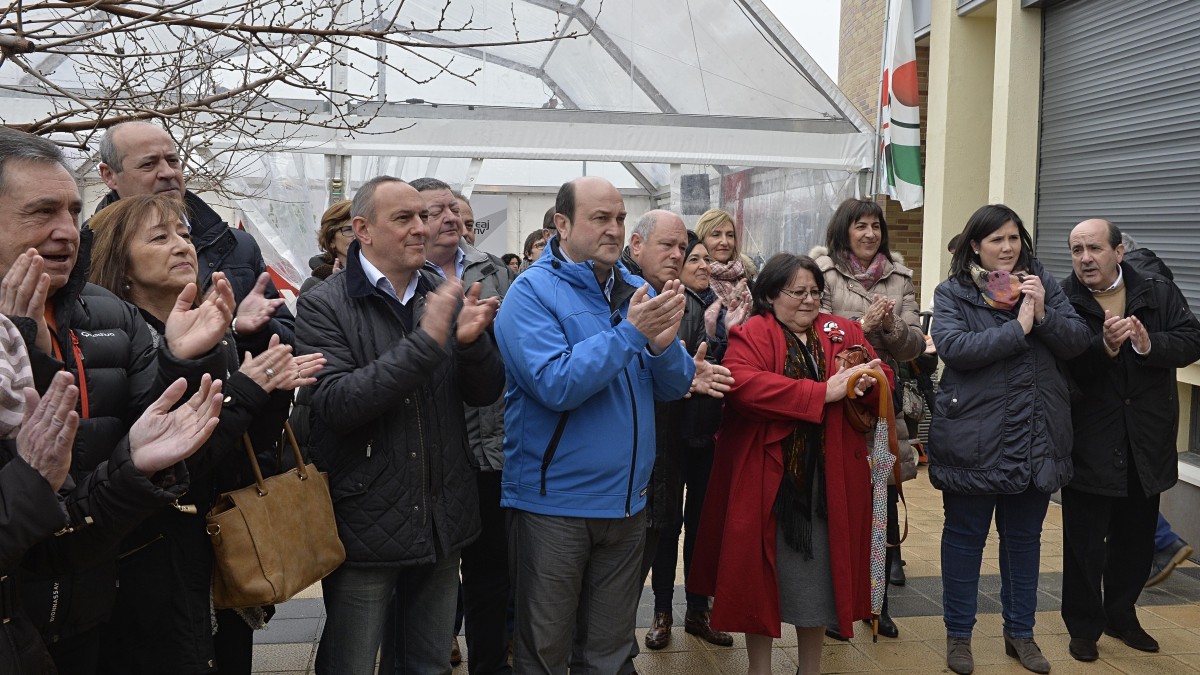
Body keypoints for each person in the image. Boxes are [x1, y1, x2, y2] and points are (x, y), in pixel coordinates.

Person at [0, 126, 236, 673]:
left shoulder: (105, 315)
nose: (66, 231)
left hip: (94, 604)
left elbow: (138, 454)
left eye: (72, 210)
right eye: (41, 213)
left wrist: (186, 361)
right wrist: (21, 341)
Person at [86, 194, 323, 674]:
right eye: (160, 237)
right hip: (153, 563)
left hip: (222, 546)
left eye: (184, 235)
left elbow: (246, 448)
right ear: (121, 264)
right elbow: (175, 466)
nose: (182, 246)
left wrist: (269, 388)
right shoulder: (113, 343)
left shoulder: (213, 330)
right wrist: (248, 388)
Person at [296, 176, 503, 675]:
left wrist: (473, 346)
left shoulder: (440, 292)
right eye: (405, 218)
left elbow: (485, 393)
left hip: (441, 513)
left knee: (428, 661)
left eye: (424, 217)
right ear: (362, 229)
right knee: (351, 659)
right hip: (366, 514)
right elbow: (339, 404)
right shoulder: (324, 304)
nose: (421, 229)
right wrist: (428, 342)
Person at [495, 177, 702, 674]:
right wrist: (632, 334)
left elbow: (673, 386)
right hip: (554, 507)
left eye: (620, 218)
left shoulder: (634, 290)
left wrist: (661, 345)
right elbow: (555, 384)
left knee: (607, 653)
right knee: (545, 653)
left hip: (626, 505)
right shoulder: (531, 293)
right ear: (562, 225)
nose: (613, 229)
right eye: (600, 218)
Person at [689, 253, 887, 675]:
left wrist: (868, 380)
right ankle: (759, 668)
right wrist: (821, 394)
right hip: (767, 479)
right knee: (756, 578)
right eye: (798, 292)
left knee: (815, 579)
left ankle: (809, 669)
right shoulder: (752, 333)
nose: (809, 300)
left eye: (815, 292)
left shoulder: (843, 330)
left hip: (826, 482)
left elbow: (879, 370)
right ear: (769, 295)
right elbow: (743, 384)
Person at [929, 204, 1090, 675]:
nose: (1007, 247)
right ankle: (959, 635)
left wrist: (1041, 313)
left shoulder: (1043, 285)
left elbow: (1078, 341)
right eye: (996, 239)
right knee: (964, 540)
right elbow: (955, 349)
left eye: (1014, 238)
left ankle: (1021, 633)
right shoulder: (953, 292)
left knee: (1024, 542)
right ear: (976, 244)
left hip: (1036, 437)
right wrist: (1017, 328)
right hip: (973, 438)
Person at [1059, 218, 1200, 662]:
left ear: (1118, 252)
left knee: (1136, 540)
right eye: (1077, 249)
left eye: (1094, 248)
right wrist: (1102, 348)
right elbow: (1062, 362)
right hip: (1090, 439)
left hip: (1146, 438)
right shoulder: (1064, 298)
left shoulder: (1156, 291)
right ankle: (1083, 626)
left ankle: (1122, 614)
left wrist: (1146, 344)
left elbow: (1191, 340)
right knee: (1083, 544)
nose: (1085, 259)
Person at [393, 176, 513, 675]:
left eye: (453, 210)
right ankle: (432, 650)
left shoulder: (495, 273)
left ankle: (492, 664)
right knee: (429, 576)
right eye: (435, 210)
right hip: (434, 455)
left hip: (495, 449)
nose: (450, 219)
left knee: (492, 574)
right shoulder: (400, 278)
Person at [617, 213, 736, 666]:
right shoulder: (667, 301)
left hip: (711, 429)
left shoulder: (732, 304)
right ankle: (662, 611)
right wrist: (687, 370)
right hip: (668, 430)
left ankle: (699, 609)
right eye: (693, 255)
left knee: (705, 524)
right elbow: (667, 357)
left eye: (704, 256)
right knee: (664, 524)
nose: (700, 262)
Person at [811, 198, 925, 639]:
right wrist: (862, 322)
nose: (870, 234)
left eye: (876, 227)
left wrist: (892, 328)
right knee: (836, 502)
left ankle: (877, 602)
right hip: (836, 403)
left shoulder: (900, 278)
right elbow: (814, 327)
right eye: (860, 226)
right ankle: (833, 605)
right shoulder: (820, 273)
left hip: (880, 406)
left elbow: (914, 344)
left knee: (883, 498)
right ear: (844, 230)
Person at [96, 120, 295, 346]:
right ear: (109, 175)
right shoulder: (87, 252)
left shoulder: (237, 245)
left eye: (173, 161)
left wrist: (243, 328)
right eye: (149, 164)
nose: (168, 172)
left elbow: (290, 341)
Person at [694, 208, 753, 323]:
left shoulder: (747, 275)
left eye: (730, 235)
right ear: (701, 239)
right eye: (716, 235)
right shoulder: (695, 279)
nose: (725, 242)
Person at [301, 200, 353, 294]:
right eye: (349, 230)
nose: (357, 236)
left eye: (362, 228)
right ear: (331, 240)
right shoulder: (314, 286)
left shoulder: (380, 279)